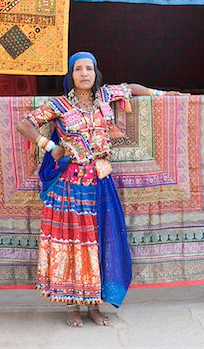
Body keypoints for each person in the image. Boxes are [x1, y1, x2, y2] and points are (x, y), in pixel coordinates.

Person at [17, 51, 177, 327]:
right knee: (72, 244)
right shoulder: (59, 105)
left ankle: (94, 306)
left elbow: (133, 88)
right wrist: (50, 147)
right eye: (77, 69)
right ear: (71, 75)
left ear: (96, 73)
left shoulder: (105, 97)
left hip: (100, 184)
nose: (84, 73)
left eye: (88, 68)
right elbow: (25, 124)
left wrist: (162, 94)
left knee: (99, 242)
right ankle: (72, 307)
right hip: (69, 187)